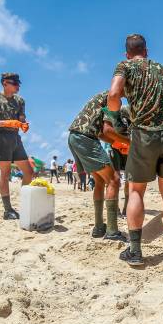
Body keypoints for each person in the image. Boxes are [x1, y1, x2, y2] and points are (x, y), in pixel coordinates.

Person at [107, 34, 163, 266]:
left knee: (137, 192)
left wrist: (114, 111)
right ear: (146, 51)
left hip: (143, 135)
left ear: (127, 53)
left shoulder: (125, 66)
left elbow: (113, 95)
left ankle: (136, 251)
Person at [68, 90, 129, 241]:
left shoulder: (103, 95)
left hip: (75, 137)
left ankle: (99, 227)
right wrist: (130, 143)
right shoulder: (113, 98)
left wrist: (117, 144)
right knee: (114, 180)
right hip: (86, 139)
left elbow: (101, 133)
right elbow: (108, 130)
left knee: (100, 182)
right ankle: (112, 231)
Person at [0, 72, 33, 220]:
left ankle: (25, 204)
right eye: (15, 83)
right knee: (5, 174)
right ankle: (8, 210)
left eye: (19, 84)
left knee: (29, 172)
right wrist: (6, 123)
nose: (18, 86)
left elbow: (22, 119)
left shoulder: (20, 101)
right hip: (2, 137)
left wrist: (24, 125)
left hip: (16, 138)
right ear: (5, 83)